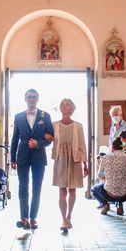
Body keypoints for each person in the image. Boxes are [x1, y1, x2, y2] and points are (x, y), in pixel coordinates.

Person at [10, 89, 54, 230]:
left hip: (39, 156)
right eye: (29, 97)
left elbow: (50, 137)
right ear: (25, 99)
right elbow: (15, 138)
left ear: (37, 99)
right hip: (22, 156)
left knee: (37, 188)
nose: (31, 99)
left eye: (34, 97)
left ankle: (33, 217)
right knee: (23, 187)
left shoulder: (45, 116)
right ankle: (24, 218)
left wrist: (39, 143)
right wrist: (12, 158)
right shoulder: (18, 117)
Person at [49, 98, 88, 233]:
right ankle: (63, 220)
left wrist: (85, 163)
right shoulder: (54, 125)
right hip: (60, 159)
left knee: (72, 190)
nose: (65, 107)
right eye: (63, 104)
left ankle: (69, 216)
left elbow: (82, 144)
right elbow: (47, 138)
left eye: (68, 104)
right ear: (60, 108)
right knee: (61, 190)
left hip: (74, 159)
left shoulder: (78, 126)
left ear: (72, 108)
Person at [91, 137, 126, 215]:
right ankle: (119, 204)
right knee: (120, 187)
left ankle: (105, 205)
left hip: (110, 193)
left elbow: (100, 175)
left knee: (93, 189)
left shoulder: (106, 158)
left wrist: (106, 175)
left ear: (112, 147)